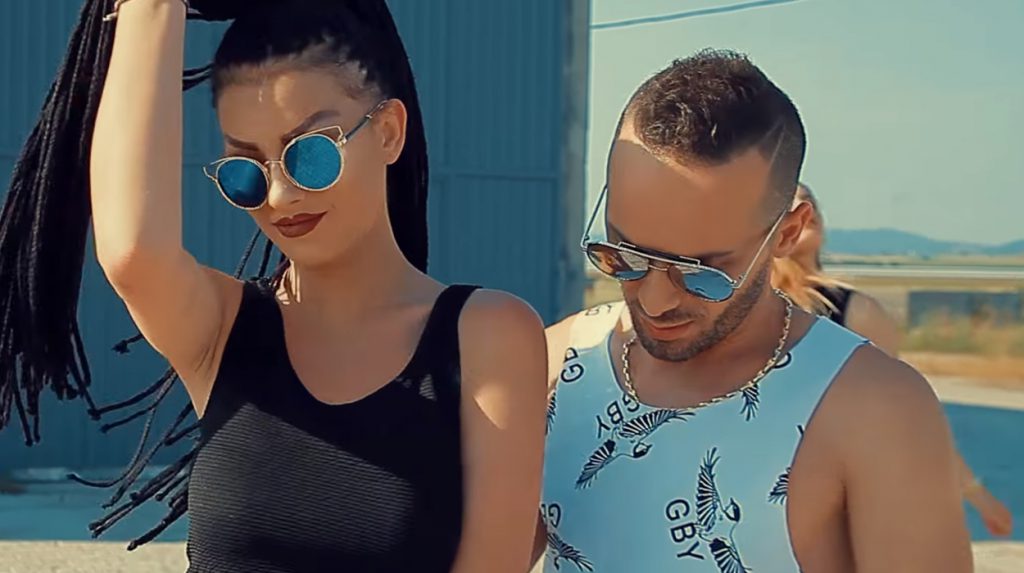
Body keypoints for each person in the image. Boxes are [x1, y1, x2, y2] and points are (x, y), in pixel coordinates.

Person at [0, 1, 547, 571]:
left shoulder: (485, 336)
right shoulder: (223, 330)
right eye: (246, 172)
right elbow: (134, 251)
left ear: (388, 132)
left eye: (310, 155)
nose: (280, 197)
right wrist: (151, 7)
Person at [536, 50, 972, 572]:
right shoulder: (557, 363)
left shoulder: (873, 408)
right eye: (625, 254)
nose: (655, 300)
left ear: (787, 233)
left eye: (702, 271)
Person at [775, 183, 1014, 538]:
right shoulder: (734, 306)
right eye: (788, 201)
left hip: (829, 498)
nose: (803, 204)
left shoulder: (855, 312)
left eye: (809, 203)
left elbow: (907, 416)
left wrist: (975, 493)